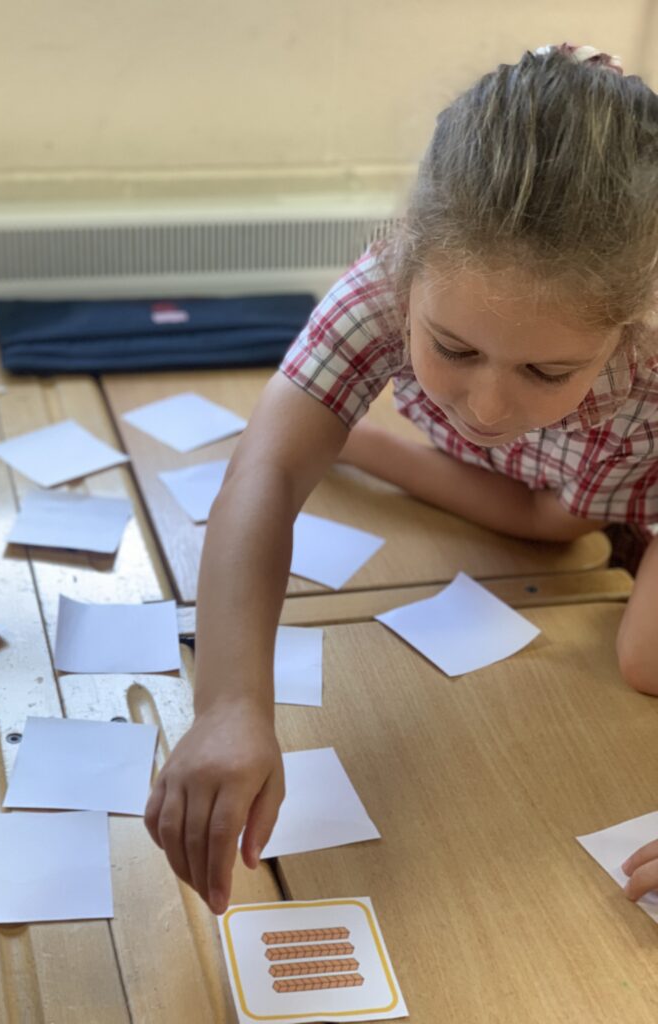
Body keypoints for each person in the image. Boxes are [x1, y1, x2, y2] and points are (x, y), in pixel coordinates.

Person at [145, 43, 658, 916]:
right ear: (408, 266)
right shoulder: (390, 280)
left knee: (644, 662)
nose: (488, 408)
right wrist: (230, 703)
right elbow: (263, 471)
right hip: (563, 491)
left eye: (547, 371)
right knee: (545, 519)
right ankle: (347, 437)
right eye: (453, 350)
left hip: (627, 489)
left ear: (631, 326)